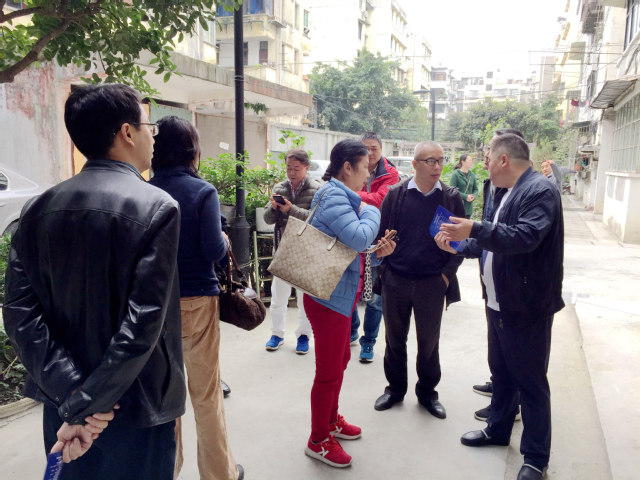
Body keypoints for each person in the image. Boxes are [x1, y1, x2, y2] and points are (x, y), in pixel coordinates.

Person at [3, 84, 186, 478]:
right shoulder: (157, 207)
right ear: (127, 133)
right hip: (137, 403)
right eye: (148, 126)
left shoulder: (36, 209)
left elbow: (20, 315)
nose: (153, 136)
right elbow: (142, 324)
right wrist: (90, 403)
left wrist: (74, 396)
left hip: (63, 404)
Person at [437, 133, 564, 480]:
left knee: (530, 383)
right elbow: (493, 240)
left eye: (489, 158)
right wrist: (459, 246)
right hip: (498, 301)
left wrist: (474, 227)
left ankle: (535, 458)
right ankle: (497, 429)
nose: (485, 164)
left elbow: (524, 237)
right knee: (502, 372)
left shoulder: (539, 191)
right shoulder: (504, 191)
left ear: (504, 160)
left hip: (527, 305)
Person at [149, 116, 243, 480]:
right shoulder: (203, 192)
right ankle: (219, 474)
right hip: (198, 302)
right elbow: (214, 251)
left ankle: (167, 469)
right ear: (192, 149)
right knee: (206, 395)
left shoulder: (145, 189)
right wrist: (224, 237)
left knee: (166, 397)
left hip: (156, 304)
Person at [303, 139, 395, 468]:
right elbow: (357, 237)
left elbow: (350, 247)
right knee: (328, 372)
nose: (368, 174)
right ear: (347, 167)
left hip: (338, 296)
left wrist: (376, 250)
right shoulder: (335, 196)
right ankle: (318, 440)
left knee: (340, 361)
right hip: (327, 298)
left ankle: (330, 421)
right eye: (365, 167)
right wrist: (372, 209)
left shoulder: (342, 197)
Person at [373, 141, 465, 420]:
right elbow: (380, 237)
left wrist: (445, 276)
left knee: (428, 343)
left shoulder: (450, 198)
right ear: (414, 164)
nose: (437, 166)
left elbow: (460, 243)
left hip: (432, 283)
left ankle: (427, 393)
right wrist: (384, 264)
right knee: (394, 339)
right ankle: (395, 389)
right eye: (430, 161)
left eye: (441, 160)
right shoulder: (396, 195)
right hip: (396, 280)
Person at [472, 128, 525, 424]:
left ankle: (507, 406)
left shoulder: (523, 190)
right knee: (497, 348)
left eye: (491, 149)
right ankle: (500, 391)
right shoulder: (491, 184)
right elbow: (488, 225)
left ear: (506, 156)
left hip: (512, 287)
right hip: (490, 275)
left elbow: (512, 236)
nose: (486, 155)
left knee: (511, 351)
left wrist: (472, 231)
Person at [262, 149, 321, 354]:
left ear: (306, 167)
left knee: (305, 299)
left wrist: (291, 209)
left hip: (306, 251)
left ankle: (303, 335)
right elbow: (268, 219)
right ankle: (276, 334)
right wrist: (273, 208)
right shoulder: (280, 187)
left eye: (296, 168)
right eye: (288, 168)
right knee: (279, 296)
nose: (292, 173)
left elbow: (317, 219)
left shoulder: (317, 189)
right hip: (283, 249)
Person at [350, 132, 399, 363]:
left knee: (374, 297)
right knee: (351, 288)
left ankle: (368, 341)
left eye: (374, 148)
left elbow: (381, 200)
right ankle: (351, 331)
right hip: (352, 236)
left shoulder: (391, 173)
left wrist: (354, 195)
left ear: (381, 149)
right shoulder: (350, 165)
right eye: (365, 148)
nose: (369, 153)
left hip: (378, 240)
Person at [449, 153, 478, 219]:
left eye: (471, 160)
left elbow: (475, 189)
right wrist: (465, 196)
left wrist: (474, 196)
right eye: (469, 160)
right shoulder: (456, 174)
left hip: (468, 209)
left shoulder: (472, 175)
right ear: (463, 161)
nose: (471, 162)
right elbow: (451, 190)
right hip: (458, 207)